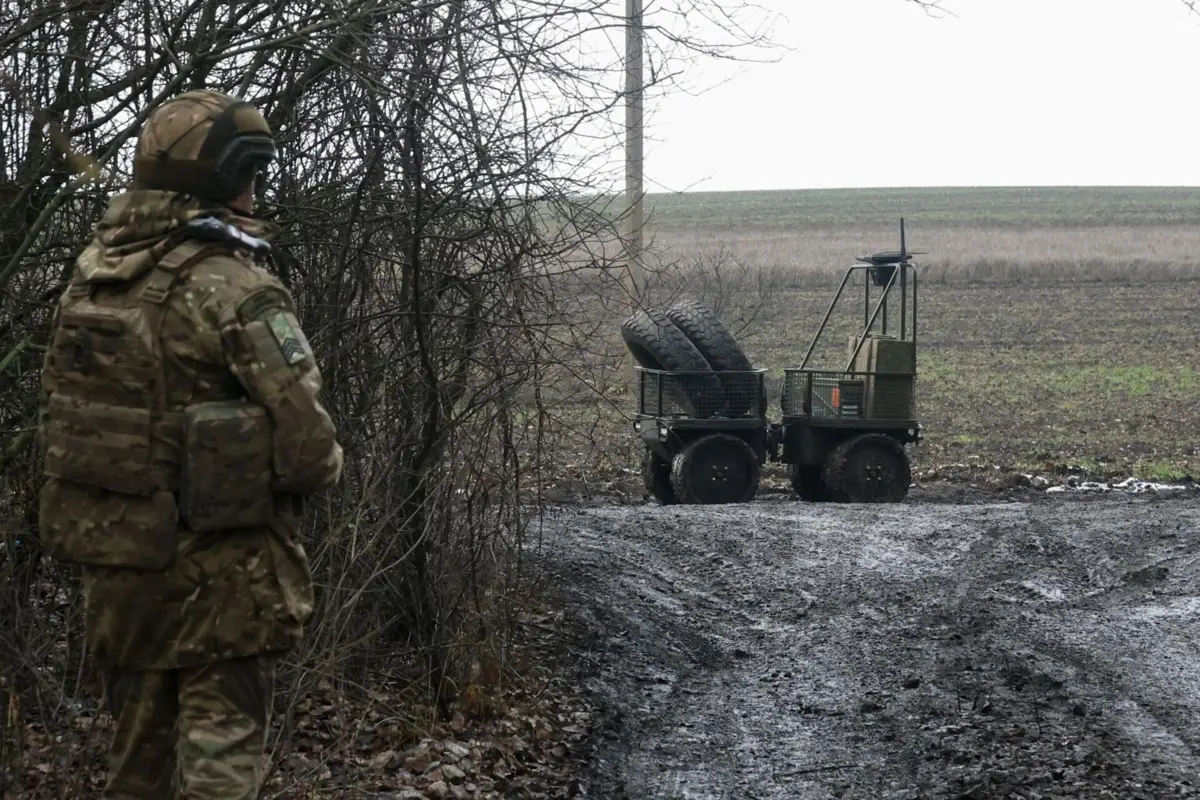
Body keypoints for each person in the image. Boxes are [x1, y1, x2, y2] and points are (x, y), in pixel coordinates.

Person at [36, 89, 343, 798]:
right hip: (226, 581)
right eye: (251, 174)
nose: (255, 190)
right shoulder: (234, 287)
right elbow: (309, 449)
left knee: (135, 763)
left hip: (121, 569)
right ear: (229, 177)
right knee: (221, 760)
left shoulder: (91, 279)